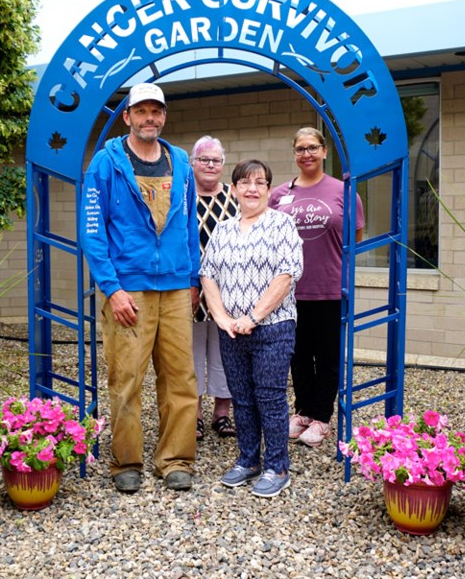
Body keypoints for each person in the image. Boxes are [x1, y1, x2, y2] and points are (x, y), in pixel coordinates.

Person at [79, 82, 199, 494]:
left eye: (157, 111)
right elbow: (93, 233)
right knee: (126, 378)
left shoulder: (181, 162)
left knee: (181, 377)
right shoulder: (105, 164)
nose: (151, 118)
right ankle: (125, 461)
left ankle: (176, 459)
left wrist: (193, 279)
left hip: (176, 288)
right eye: (142, 111)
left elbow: (189, 227)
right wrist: (111, 289)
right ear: (127, 116)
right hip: (128, 291)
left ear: (164, 116)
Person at [199, 159, 303, 498]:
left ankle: (277, 466)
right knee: (241, 399)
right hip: (231, 332)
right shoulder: (224, 229)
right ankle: (248, 459)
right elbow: (208, 275)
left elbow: (286, 275)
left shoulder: (282, 225)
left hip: (272, 328)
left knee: (270, 399)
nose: (252, 189)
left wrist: (253, 318)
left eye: (260, 182)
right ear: (234, 190)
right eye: (245, 182)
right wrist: (223, 318)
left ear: (269, 190)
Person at [269, 126, 364, 448]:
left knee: (327, 356)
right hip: (289, 290)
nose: (306, 154)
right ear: (294, 154)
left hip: (328, 287)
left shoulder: (344, 191)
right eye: (300, 149)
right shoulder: (279, 195)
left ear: (324, 151)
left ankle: (322, 418)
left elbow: (356, 238)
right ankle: (303, 412)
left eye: (312, 148)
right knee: (296, 355)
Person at [190, 135, 238, 441]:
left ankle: (222, 414)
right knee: (190, 354)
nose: (210, 165)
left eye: (216, 160)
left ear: (223, 165)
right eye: (204, 159)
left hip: (228, 291)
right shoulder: (182, 197)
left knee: (225, 354)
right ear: (193, 163)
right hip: (191, 289)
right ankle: (191, 415)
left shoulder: (235, 197)